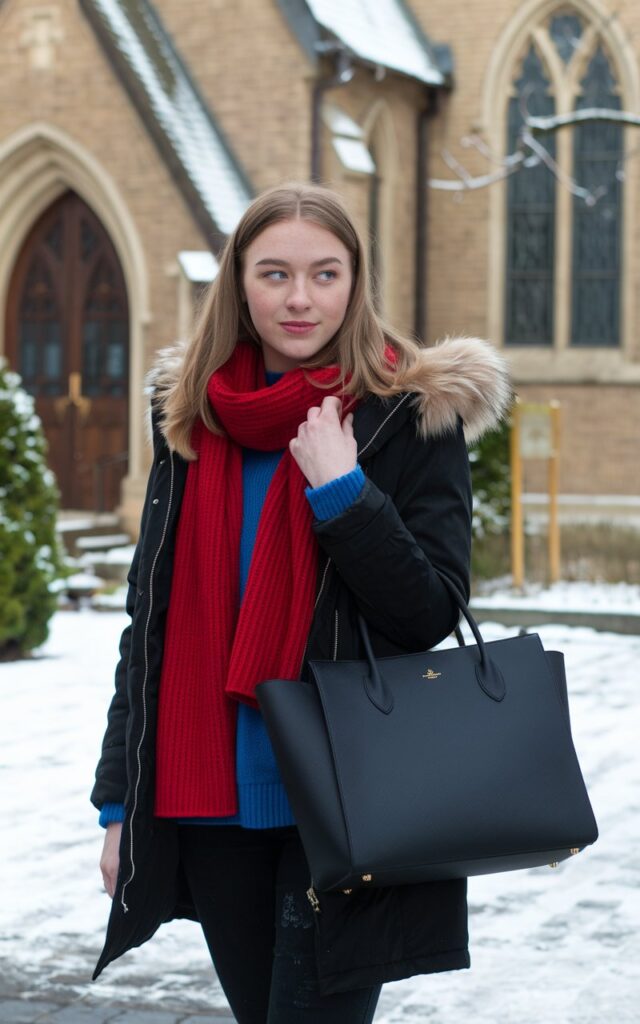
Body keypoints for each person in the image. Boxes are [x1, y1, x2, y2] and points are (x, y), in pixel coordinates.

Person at [91, 181, 510, 1023]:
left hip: (348, 803)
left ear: (356, 282)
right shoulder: (191, 420)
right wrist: (119, 803)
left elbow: (428, 612)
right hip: (208, 798)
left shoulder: (409, 412)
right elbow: (152, 624)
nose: (299, 298)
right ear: (239, 282)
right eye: (274, 273)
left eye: (324, 274)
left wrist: (344, 492)